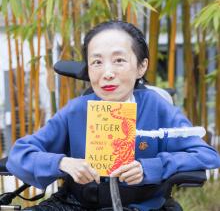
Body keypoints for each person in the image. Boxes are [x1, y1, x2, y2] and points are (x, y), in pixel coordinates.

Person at [6, 21, 220, 211]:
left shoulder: (156, 107)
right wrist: (63, 163)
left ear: (141, 66)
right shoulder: (77, 110)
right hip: (77, 204)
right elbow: (20, 154)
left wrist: (151, 167)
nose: (107, 72)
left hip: (141, 206)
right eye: (97, 62)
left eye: (119, 60)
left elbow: (206, 154)